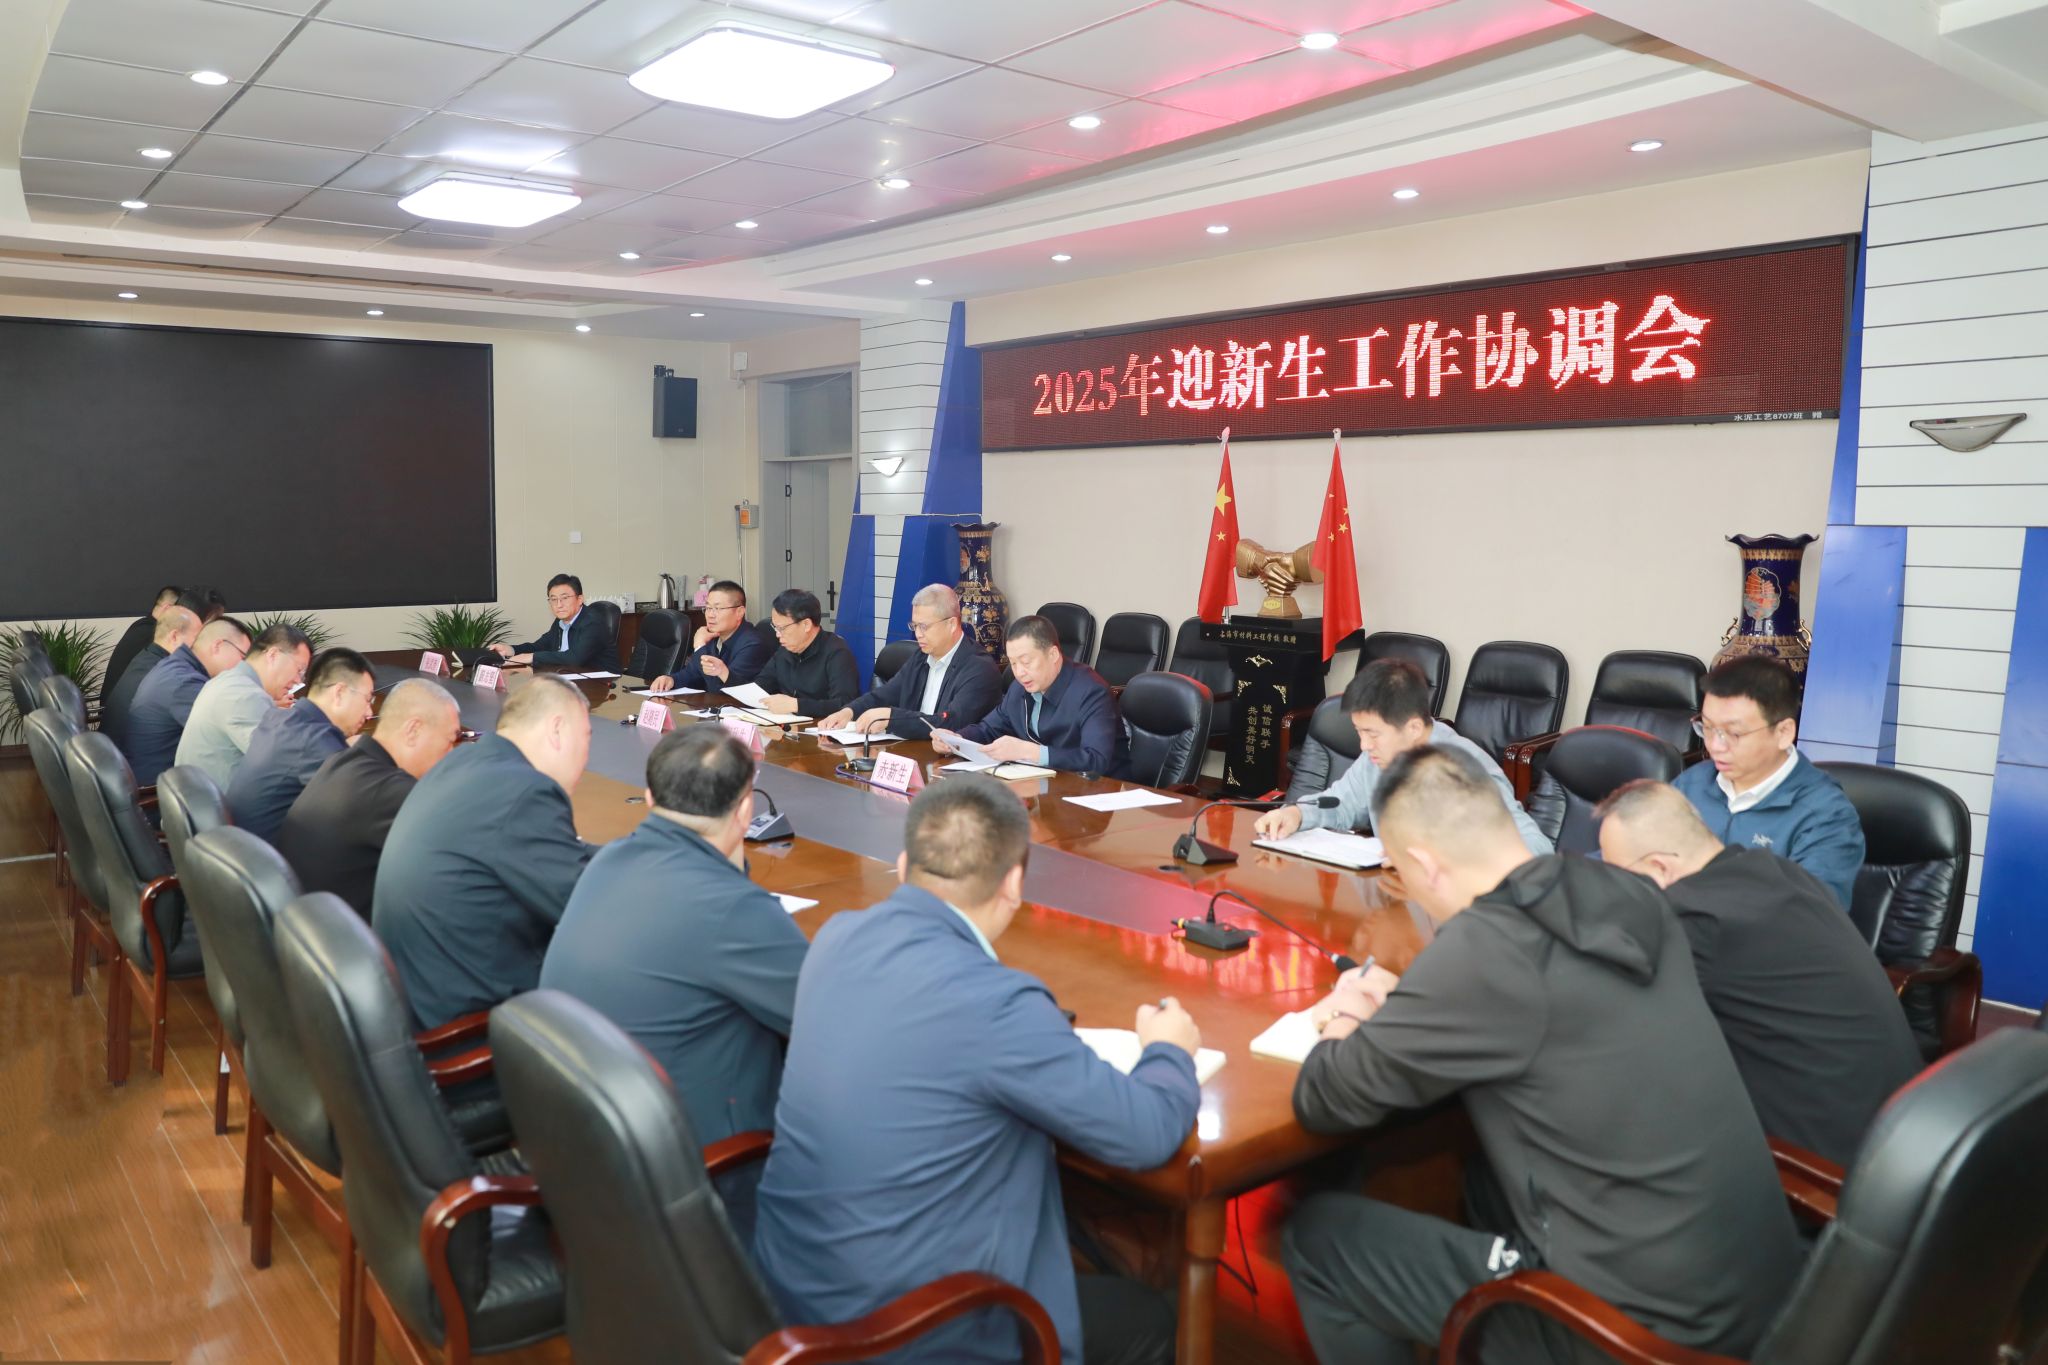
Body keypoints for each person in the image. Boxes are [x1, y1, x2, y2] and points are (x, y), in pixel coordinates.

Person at [1282, 747, 1799, 1364]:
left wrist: (1347, 1012)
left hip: (1635, 1335)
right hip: (1761, 1291)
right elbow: (1544, 1010)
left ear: (1423, 864)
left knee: (1319, 1239)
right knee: (1480, 1176)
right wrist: (1420, 1007)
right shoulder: (1624, 891)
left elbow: (1325, 1097)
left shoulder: (1485, 950)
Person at [754, 774, 1199, 1365]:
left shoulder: (837, 938)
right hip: (907, 1331)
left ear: (903, 864)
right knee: (1154, 1321)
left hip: (789, 1290)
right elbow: (1145, 1133)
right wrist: (1169, 1050)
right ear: (1013, 883)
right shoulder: (998, 1003)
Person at [1596, 779, 1920, 1165]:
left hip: (1819, 1170)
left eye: (1618, 877)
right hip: (1899, 1137)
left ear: (1659, 867)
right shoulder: (1777, 872)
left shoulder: (1694, 920)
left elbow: (1611, 1025)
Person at [541, 726, 809, 1147]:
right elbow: (827, 1021)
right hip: (699, 1161)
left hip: (586, 1143)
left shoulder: (607, 860)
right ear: (745, 812)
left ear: (650, 799)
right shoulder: (733, 910)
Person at [374, 674, 595, 1030]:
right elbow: (588, 912)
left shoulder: (463, 762)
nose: (587, 757)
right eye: (587, 738)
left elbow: (556, 855)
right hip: (470, 1029)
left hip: (422, 996)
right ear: (557, 730)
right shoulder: (526, 791)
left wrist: (629, 855)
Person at [1254, 659, 1551, 855]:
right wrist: (1296, 814)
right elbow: (1341, 802)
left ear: (1413, 728)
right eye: (1359, 732)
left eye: (1373, 734)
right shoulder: (1378, 759)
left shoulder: (1466, 770)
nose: (1364, 745)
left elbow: (1535, 850)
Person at [1673, 655, 1864, 909]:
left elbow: (1812, 915)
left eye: (1734, 733)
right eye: (1707, 728)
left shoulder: (1825, 815)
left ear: (1783, 732)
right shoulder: (1692, 784)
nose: (1715, 746)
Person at [275, 679, 461, 922]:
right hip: (342, 936)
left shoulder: (343, 762)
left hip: (305, 929)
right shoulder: (389, 791)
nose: (451, 755)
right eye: (450, 741)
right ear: (413, 730)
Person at [936, 614, 1126, 776]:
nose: (1019, 672)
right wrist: (956, 740)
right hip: (1046, 788)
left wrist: (1032, 752)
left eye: (1026, 662)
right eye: (1013, 663)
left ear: (1053, 655)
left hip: (1101, 794)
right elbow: (988, 729)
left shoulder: (1091, 692)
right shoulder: (1019, 689)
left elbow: (1096, 760)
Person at [224, 648, 377, 841]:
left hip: (244, 847)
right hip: (271, 855)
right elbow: (362, 808)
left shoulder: (280, 719)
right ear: (339, 692)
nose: (369, 712)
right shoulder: (315, 739)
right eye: (367, 699)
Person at [817, 584, 1001, 739]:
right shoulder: (921, 657)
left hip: (953, 762)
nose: (918, 634)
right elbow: (884, 695)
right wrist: (848, 712)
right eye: (914, 626)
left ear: (951, 624)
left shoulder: (979, 668)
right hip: (912, 753)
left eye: (924, 626)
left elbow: (951, 723)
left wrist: (892, 718)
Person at [173, 622, 309, 790]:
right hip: (221, 804)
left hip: (203, 798)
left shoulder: (229, 681)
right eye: (299, 670)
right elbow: (283, 762)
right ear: (273, 655)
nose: (298, 680)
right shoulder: (245, 694)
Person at [124, 616, 249, 787]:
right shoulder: (185, 683)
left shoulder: (175, 666)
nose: (243, 666)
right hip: (161, 792)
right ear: (218, 646)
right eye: (243, 657)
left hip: (162, 779)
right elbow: (229, 734)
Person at [100, 605, 199, 749]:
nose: (197, 645)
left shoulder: (145, 657)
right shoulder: (169, 676)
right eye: (196, 638)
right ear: (174, 636)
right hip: (133, 758)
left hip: (114, 751)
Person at [647, 579, 771, 693]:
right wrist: (671, 680)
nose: (710, 615)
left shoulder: (753, 645)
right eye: (708, 608)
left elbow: (719, 690)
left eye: (717, 608)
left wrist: (700, 647)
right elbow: (693, 673)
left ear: (740, 612)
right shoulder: (714, 636)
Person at [751, 588, 859, 717]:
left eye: (782, 628)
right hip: (787, 724)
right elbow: (760, 686)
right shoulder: (786, 649)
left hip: (821, 726)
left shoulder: (837, 652)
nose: (777, 634)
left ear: (806, 624)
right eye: (775, 627)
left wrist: (797, 705)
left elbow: (845, 705)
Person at [492, 572, 611, 669]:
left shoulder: (593, 622)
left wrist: (532, 657)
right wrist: (511, 650)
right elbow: (539, 646)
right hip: (571, 678)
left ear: (580, 599)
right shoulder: (560, 621)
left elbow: (575, 658)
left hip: (604, 683)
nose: (559, 605)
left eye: (565, 598)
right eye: (553, 599)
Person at [100, 585, 182, 701]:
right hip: (122, 708)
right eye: (181, 613)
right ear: (168, 608)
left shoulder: (141, 626)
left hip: (115, 705)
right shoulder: (152, 634)